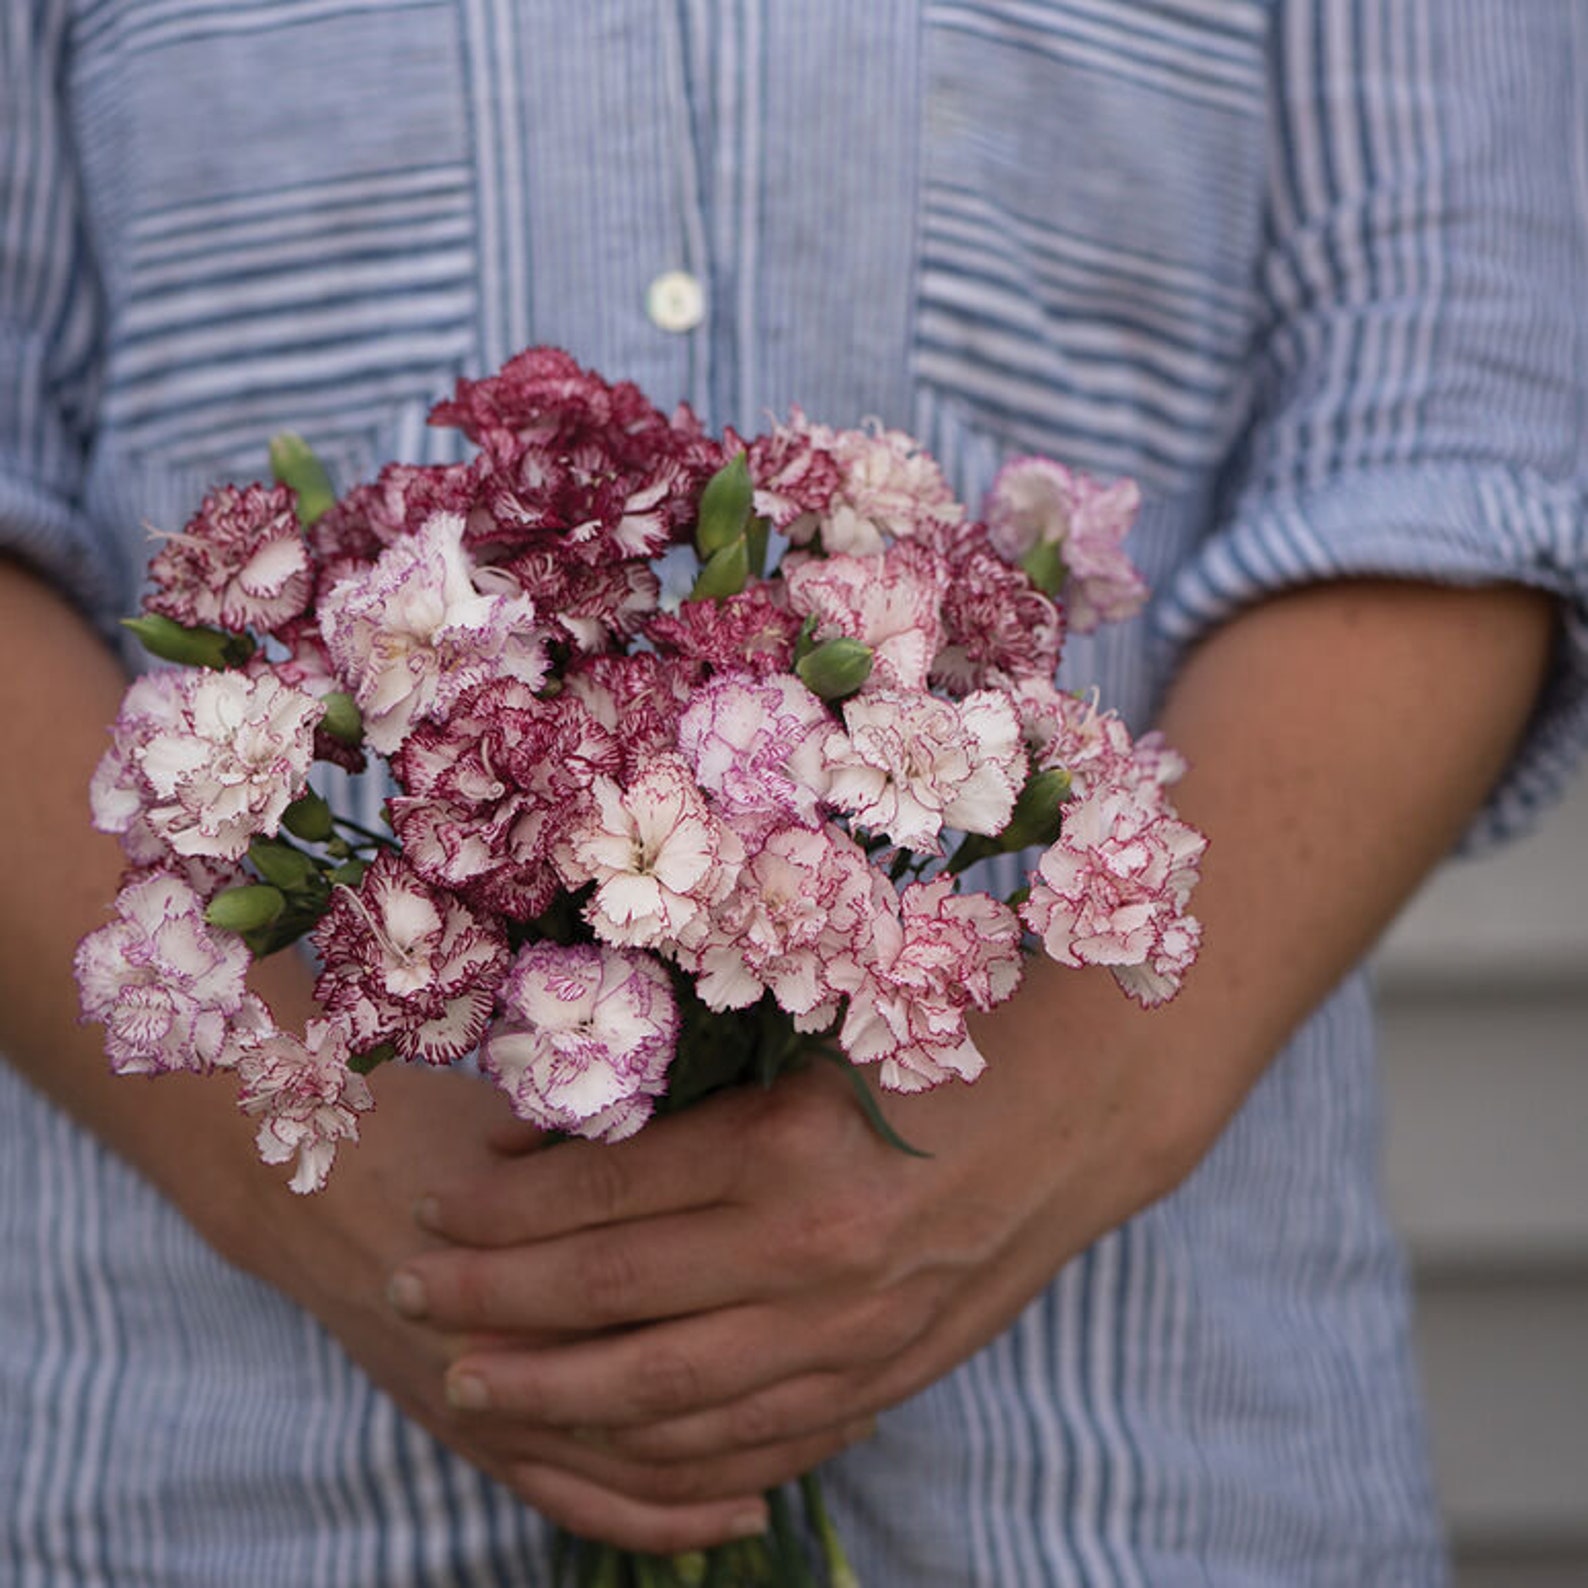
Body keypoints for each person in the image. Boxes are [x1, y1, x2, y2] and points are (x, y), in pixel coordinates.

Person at [2, 1, 1583, 1582]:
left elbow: (1458, 444)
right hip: (223, 1477)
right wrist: (314, 1163)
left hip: (1132, 1483)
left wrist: (1051, 1121)